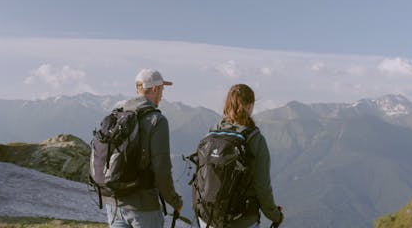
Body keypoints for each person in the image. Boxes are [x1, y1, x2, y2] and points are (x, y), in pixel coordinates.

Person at [103, 68, 183, 228]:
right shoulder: (157, 120)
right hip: (143, 206)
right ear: (155, 89)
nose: (162, 94)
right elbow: (162, 169)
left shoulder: (119, 113)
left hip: (114, 202)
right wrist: (174, 201)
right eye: (162, 89)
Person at [199, 84, 283, 228]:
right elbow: (262, 186)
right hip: (241, 219)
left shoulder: (212, 133)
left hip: (208, 218)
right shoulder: (254, 139)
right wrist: (275, 215)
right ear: (250, 105)